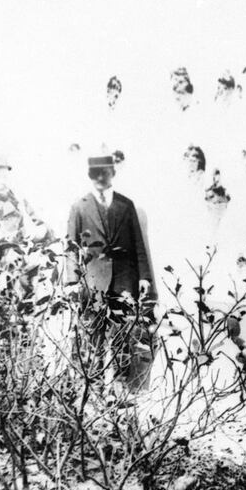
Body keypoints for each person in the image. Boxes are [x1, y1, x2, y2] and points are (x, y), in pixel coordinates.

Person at [66, 155, 153, 389]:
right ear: (89, 176)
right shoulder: (79, 206)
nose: (100, 179)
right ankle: (93, 387)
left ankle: (119, 386)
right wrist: (73, 281)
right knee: (93, 333)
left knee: (122, 332)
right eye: (95, 174)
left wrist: (144, 276)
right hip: (93, 281)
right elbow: (70, 246)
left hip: (124, 279)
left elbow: (138, 244)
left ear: (112, 174)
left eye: (104, 173)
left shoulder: (126, 205)